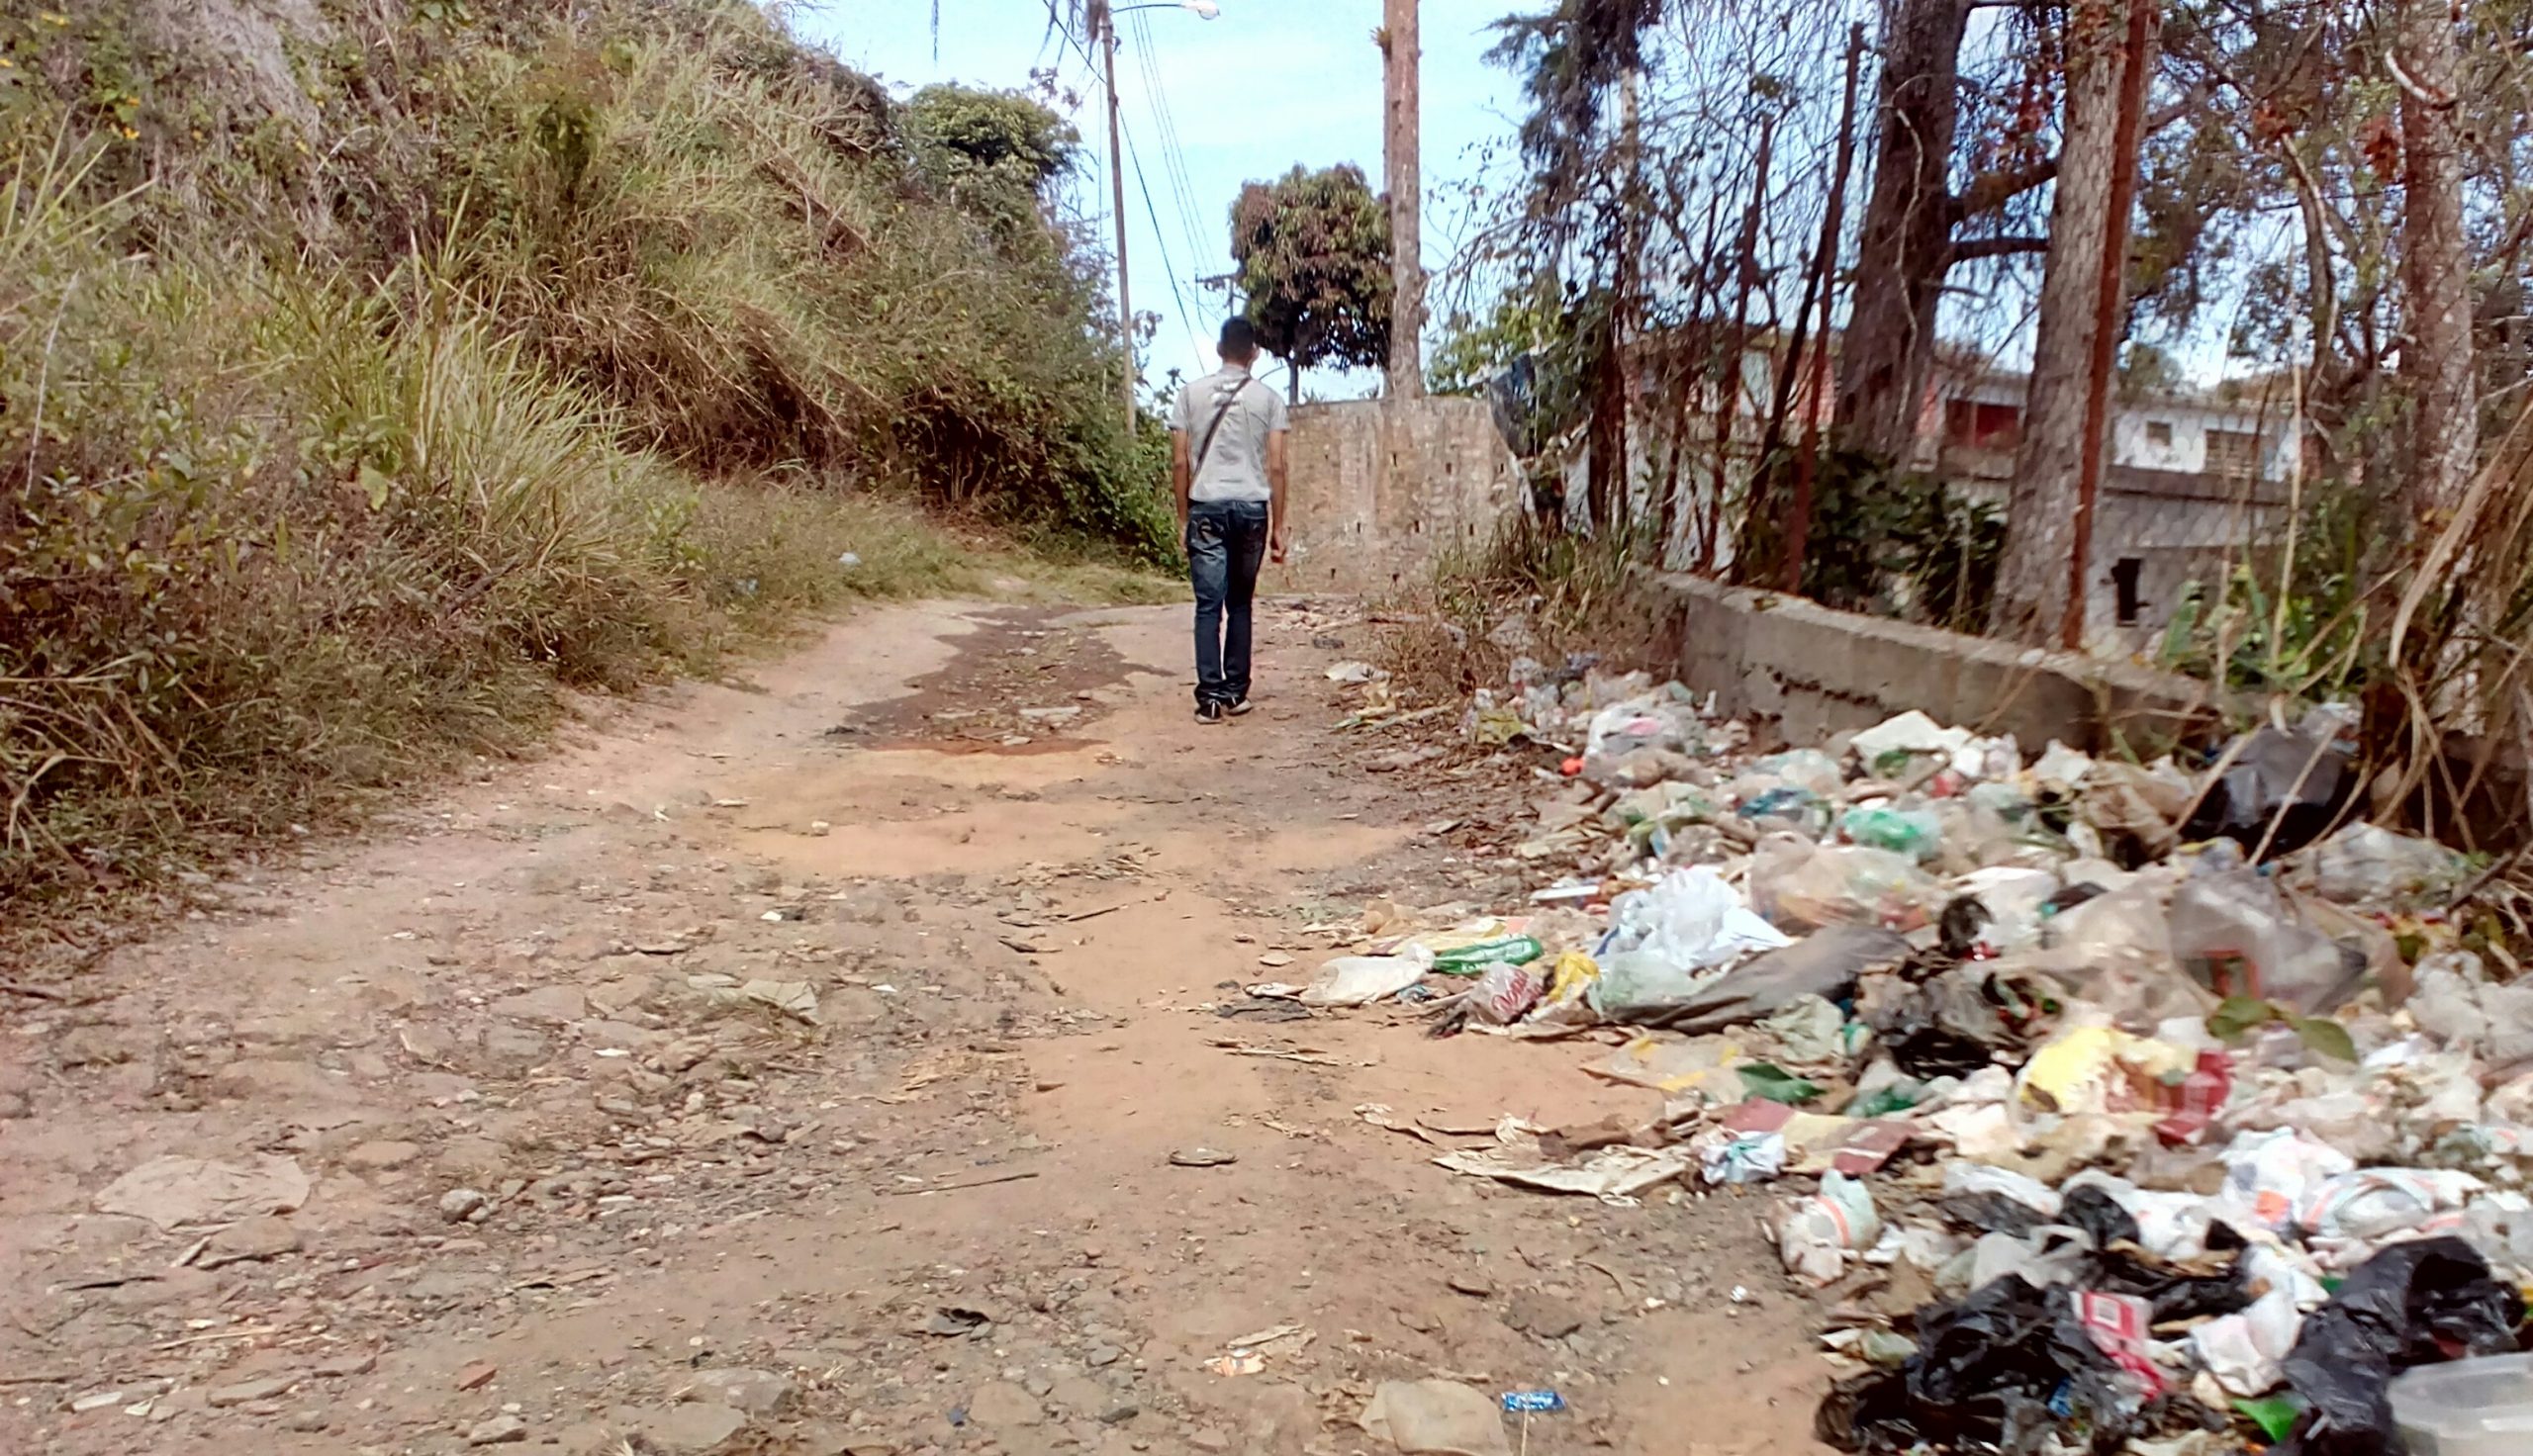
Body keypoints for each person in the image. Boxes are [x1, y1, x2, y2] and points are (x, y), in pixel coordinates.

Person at [1170, 318, 1289, 724]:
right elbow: (1276, 467)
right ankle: (1236, 691)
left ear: (1220, 350)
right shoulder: (1269, 400)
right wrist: (1280, 525)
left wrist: (1183, 518)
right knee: (1240, 603)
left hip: (1206, 507)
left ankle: (1210, 699)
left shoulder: (1189, 394)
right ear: (1254, 353)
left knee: (1208, 605)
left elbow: (1179, 460)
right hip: (1251, 508)